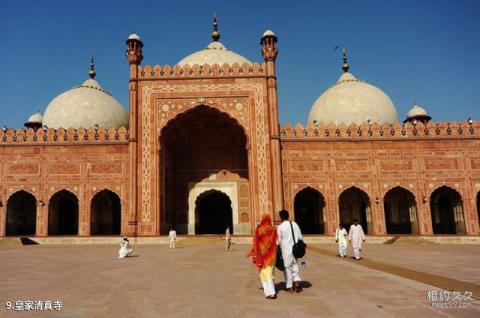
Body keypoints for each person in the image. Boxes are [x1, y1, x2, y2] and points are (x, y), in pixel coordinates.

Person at [247, 215, 278, 299]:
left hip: (261, 254)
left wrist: (254, 252)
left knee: (265, 272)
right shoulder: (273, 229)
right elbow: (277, 241)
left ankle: (271, 292)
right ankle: (268, 292)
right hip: (272, 254)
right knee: (270, 271)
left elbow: (255, 242)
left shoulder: (259, 229)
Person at [277, 209, 303, 293]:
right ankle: (297, 282)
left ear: (281, 217)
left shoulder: (281, 227)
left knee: (287, 267)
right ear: (288, 216)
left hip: (286, 250)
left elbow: (278, 241)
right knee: (295, 265)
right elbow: (300, 237)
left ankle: (289, 286)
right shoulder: (295, 224)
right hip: (295, 249)